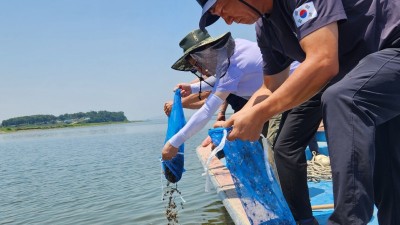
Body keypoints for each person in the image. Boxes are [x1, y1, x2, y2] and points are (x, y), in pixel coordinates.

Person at [195, 1, 400, 225]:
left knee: (343, 98)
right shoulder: (265, 29)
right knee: (388, 181)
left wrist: (260, 114)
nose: (227, 20)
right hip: (373, 80)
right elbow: (270, 86)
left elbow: (323, 61)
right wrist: (237, 121)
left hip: (391, 49)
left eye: (223, 8)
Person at [161, 29, 265, 161]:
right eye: (195, 68)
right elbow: (219, 80)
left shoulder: (232, 66)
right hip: (270, 99)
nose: (199, 69)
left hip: (292, 92)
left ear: (207, 51)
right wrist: (192, 88)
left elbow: (207, 110)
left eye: (197, 63)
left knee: (284, 148)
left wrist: (174, 143)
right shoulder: (231, 52)